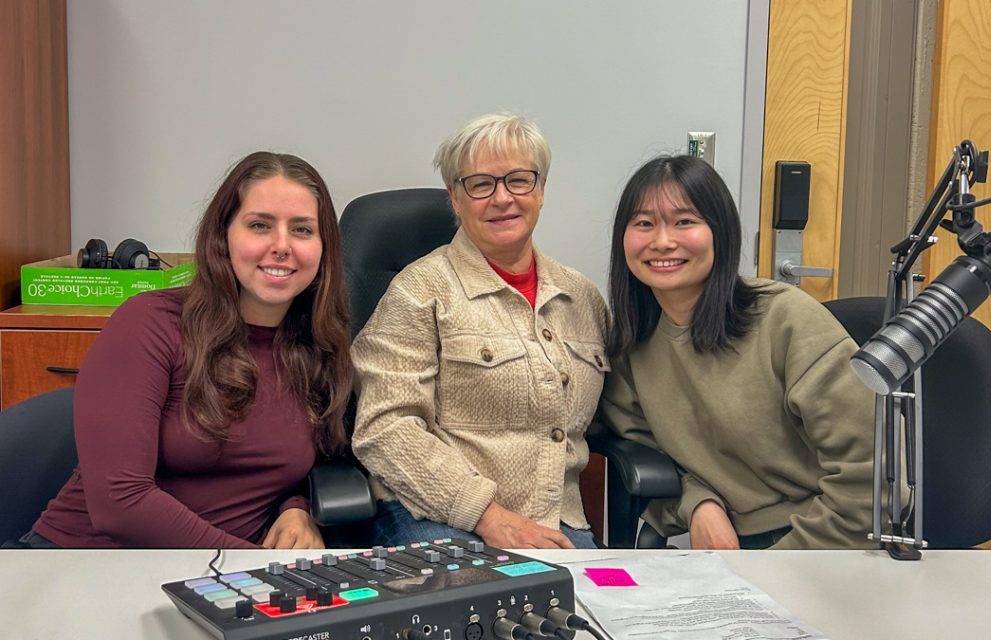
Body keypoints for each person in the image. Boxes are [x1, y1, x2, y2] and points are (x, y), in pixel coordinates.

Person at [24, 151, 354, 548]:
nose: (281, 246)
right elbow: (120, 503)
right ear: (224, 235)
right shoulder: (151, 323)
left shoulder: (320, 345)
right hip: (83, 564)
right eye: (259, 225)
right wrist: (256, 569)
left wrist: (296, 507)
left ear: (324, 247)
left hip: (214, 583)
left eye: (302, 230)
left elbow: (304, 459)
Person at [351, 114, 610, 549]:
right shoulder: (419, 291)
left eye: (519, 180)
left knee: (606, 611)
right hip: (440, 518)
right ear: (455, 198)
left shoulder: (581, 298)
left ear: (541, 190)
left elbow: (620, 418)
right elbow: (386, 427)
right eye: (480, 184)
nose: (502, 198)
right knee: (487, 609)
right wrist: (484, 513)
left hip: (558, 523)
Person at [601, 154, 874, 549]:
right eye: (644, 224)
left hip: (820, 541)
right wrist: (698, 503)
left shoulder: (787, 320)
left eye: (684, 222)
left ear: (721, 232)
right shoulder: (631, 342)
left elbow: (869, 479)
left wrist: (775, 571)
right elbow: (652, 457)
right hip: (724, 548)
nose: (662, 241)